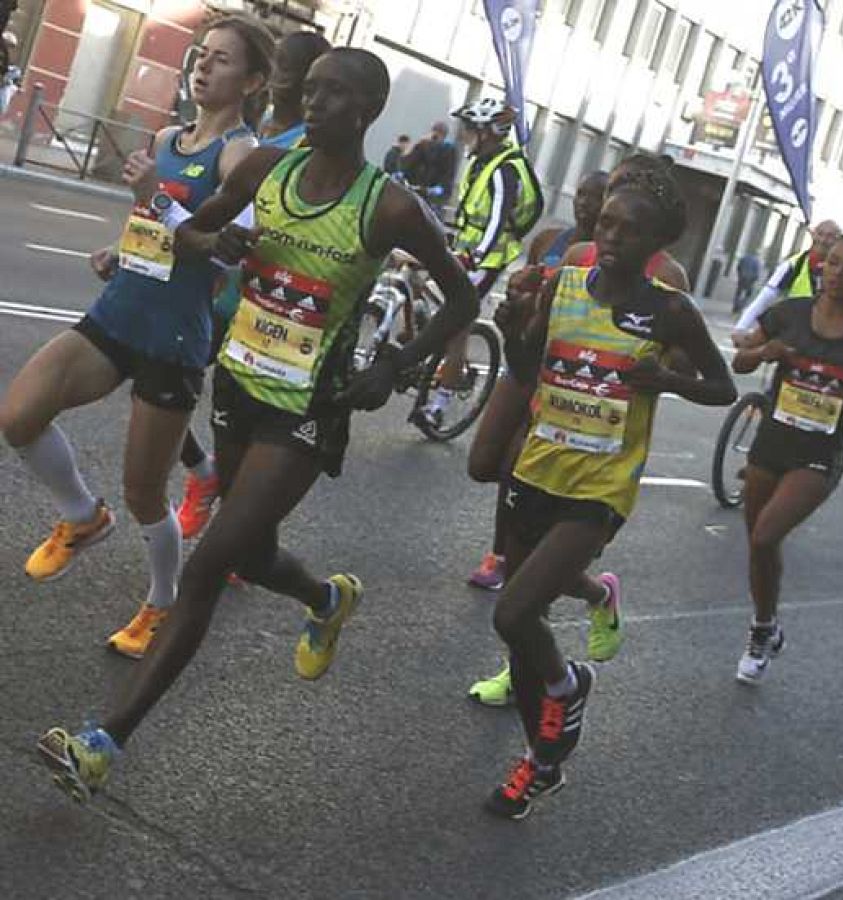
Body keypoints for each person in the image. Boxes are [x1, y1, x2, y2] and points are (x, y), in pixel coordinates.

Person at [34, 47, 482, 802]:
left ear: (368, 109)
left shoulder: (390, 207)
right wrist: (219, 242)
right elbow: (187, 233)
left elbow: (463, 302)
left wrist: (392, 366)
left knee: (212, 564)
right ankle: (326, 599)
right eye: (309, 91)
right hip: (240, 385)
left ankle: (104, 739)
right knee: (254, 550)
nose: (314, 105)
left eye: (335, 95)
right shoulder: (261, 172)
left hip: (310, 408)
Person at [0, 16, 272, 659]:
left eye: (222, 61)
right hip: (119, 314)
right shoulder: (165, 136)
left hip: (173, 339)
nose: (202, 67)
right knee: (18, 415)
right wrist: (118, 252)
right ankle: (80, 516)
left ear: (254, 80)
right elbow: (151, 230)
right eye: (201, 55)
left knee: (146, 492)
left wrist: (158, 197)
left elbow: (234, 250)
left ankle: (161, 601)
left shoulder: (239, 155)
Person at [477, 162, 735, 819]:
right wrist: (513, 326)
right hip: (537, 470)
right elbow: (528, 367)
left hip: (600, 488)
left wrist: (667, 381)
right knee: (523, 627)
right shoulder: (562, 286)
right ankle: (543, 760)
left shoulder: (670, 312)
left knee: (513, 612)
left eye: (631, 229)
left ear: (657, 247)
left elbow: (722, 388)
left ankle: (570, 684)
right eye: (607, 224)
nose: (612, 236)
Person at [464, 156, 688, 707]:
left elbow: (679, 365)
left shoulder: (668, 281)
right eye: (609, 193)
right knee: (483, 464)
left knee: (530, 574)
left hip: (595, 420)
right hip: (540, 376)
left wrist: (650, 373)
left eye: (623, 196)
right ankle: (588, 588)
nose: (605, 213)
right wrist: (522, 305)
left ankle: (522, 671)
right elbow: (536, 317)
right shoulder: (568, 250)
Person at [175, 28, 332, 545]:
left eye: (296, 67)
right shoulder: (257, 131)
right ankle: (206, 476)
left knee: (252, 424)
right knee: (161, 379)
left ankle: (245, 534)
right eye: (281, 63)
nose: (286, 74)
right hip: (223, 287)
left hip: (270, 303)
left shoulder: (310, 142)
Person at [730, 234, 843, 684]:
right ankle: (766, 623)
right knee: (758, 544)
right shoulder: (789, 313)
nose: (837, 274)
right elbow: (740, 363)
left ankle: (760, 633)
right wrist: (767, 352)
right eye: (832, 263)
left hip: (819, 454)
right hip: (771, 443)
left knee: (766, 536)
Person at [465, 169, 608, 593]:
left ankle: (502, 555)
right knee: (483, 464)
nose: (584, 203)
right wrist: (519, 293)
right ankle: (535, 524)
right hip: (524, 356)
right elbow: (524, 286)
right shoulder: (550, 241)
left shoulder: (604, 256)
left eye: (596, 197)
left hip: (563, 376)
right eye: (581, 193)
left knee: (513, 465)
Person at [413, 96, 543, 431]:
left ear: (489, 133)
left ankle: (438, 405)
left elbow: (498, 221)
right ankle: (416, 337)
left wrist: (476, 256)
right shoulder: (478, 162)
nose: (467, 134)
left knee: (458, 325)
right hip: (464, 247)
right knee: (413, 276)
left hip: (489, 257)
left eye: (472, 129)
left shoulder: (505, 170)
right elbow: (467, 212)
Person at [732, 219, 843, 337]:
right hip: (794, 332)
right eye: (820, 234)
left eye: (831, 236)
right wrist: (741, 328)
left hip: (833, 334)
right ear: (812, 234)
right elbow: (765, 298)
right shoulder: (794, 264)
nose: (823, 240)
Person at [403, 120, 457, 210]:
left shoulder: (448, 150)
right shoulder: (422, 145)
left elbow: (448, 174)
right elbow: (409, 163)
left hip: (431, 191)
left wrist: (440, 188)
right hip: (419, 188)